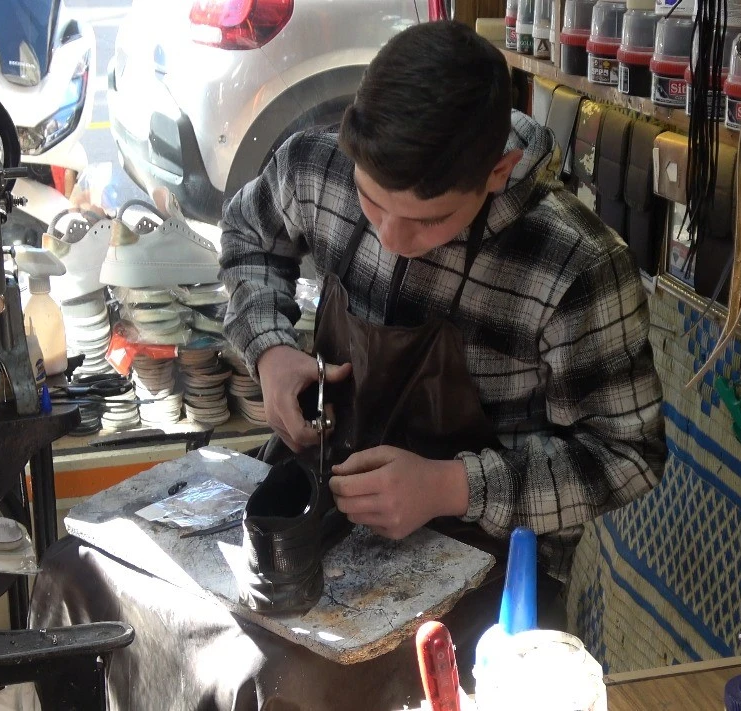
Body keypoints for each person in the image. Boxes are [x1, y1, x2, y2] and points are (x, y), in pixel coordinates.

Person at [220, 20, 666, 594]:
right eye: (371, 201)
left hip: (488, 561)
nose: (390, 238)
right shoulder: (315, 166)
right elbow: (248, 236)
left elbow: (627, 455)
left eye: (427, 221)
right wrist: (269, 349)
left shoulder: (576, 265)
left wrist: (452, 487)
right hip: (322, 507)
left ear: (498, 172)